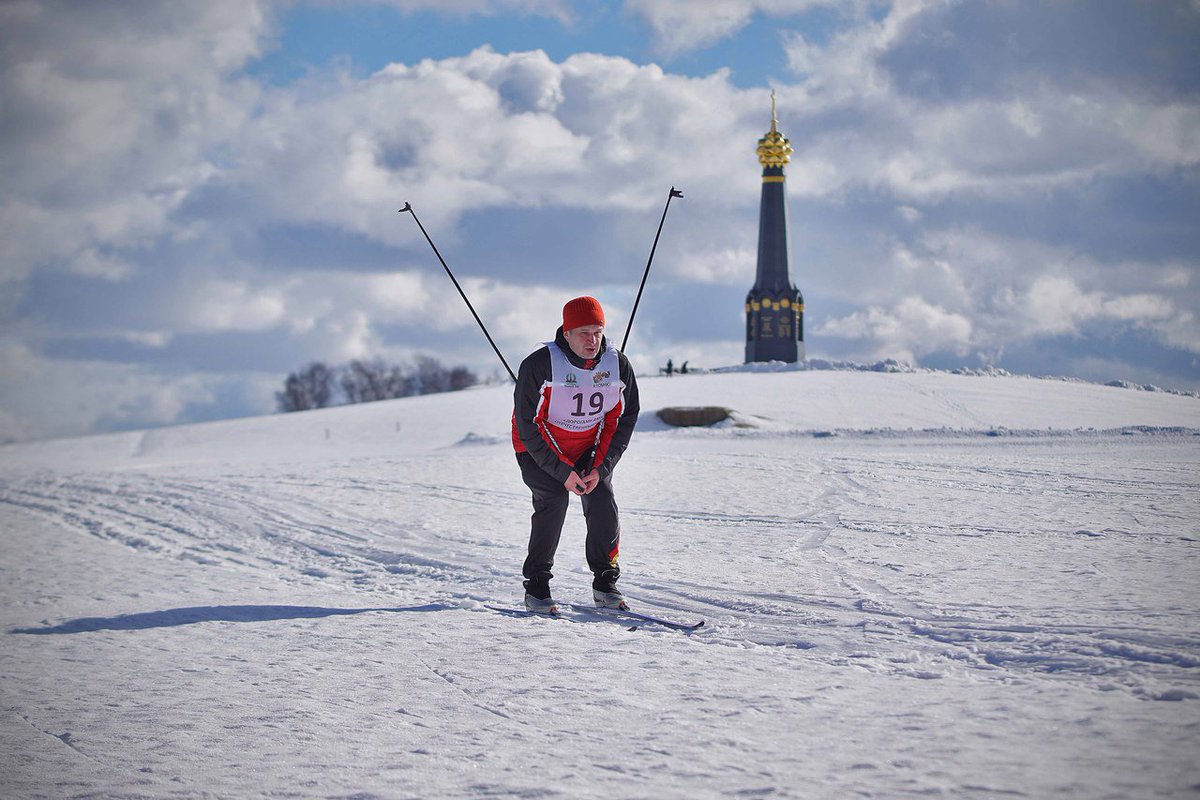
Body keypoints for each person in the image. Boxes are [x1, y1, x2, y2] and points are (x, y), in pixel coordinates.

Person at [511, 296, 640, 614]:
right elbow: (529, 425)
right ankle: (537, 587)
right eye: (583, 332)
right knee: (553, 498)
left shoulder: (617, 365)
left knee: (601, 495)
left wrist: (601, 465)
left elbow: (621, 418)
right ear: (566, 333)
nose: (592, 340)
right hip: (537, 448)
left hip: (587, 449)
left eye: (597, 331)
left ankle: (606, 582)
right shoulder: (540, 364)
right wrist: (562, 471)